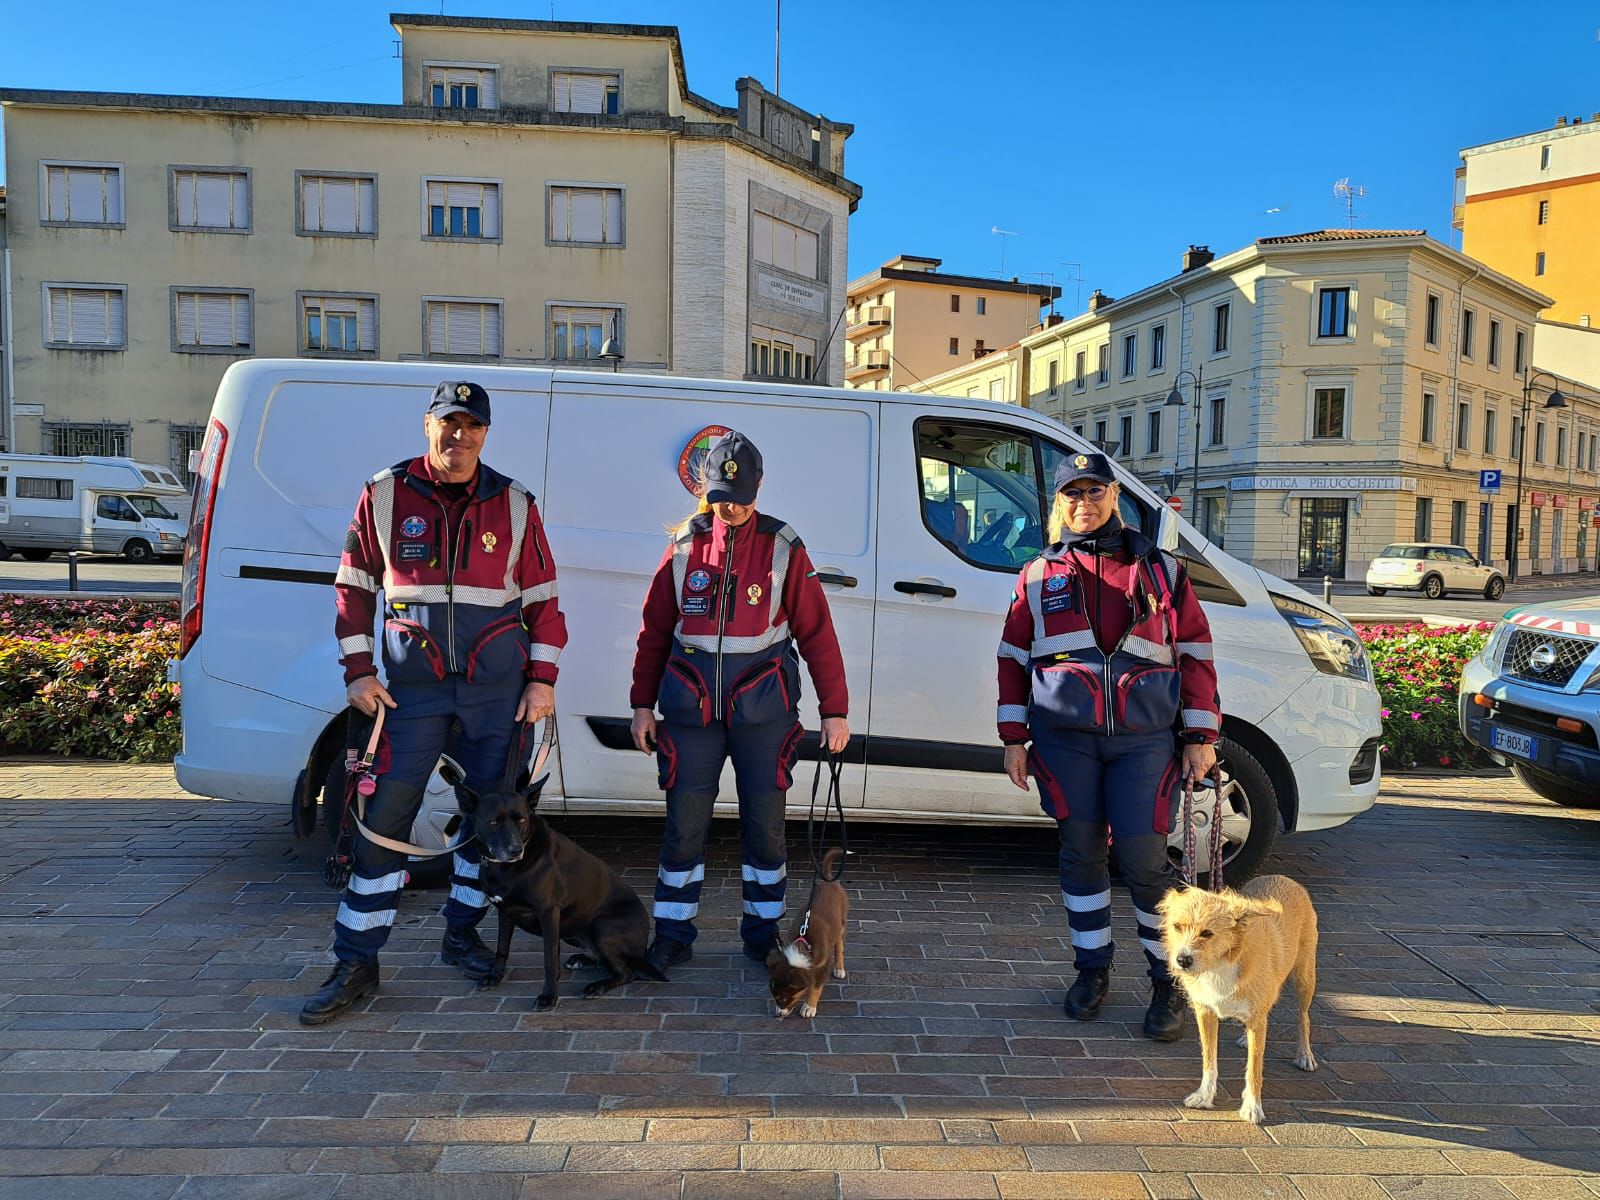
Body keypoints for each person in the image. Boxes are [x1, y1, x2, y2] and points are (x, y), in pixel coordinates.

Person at [301, 380, 568, 1025]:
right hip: (408, 693)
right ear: (429, 426)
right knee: (382, 823)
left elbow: (544, 601)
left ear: (485, 432)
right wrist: (358, 672)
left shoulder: (515, 502)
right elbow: (353, 589)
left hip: (494, 695)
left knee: (491, 821)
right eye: (450, 423)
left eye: (472, 426)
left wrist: (542, 678)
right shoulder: (385, 493)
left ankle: (461, 933)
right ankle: (357, 962)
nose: (460, 436)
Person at [996, 452, 1220, 1042]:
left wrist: (1200, 735)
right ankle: (1092, 971)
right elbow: (1013, 659)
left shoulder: (1161, 570)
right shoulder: (1037, 575)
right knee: (1080, 856)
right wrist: (1013, 738)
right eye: (1073, 494)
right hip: (1064, 742)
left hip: (1143, 743)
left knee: (1146, 864)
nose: (1084, 504)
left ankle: (1169, 981)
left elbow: (1195, 651)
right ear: (1060, 503)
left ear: (1114, 497)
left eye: (1095, 493)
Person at [629, 431, 850, 971]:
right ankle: (673, 934)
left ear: (759, 487)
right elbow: (655, 630)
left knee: (764, 825)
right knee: (684, 823)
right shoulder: (684, 544)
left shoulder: (783, 546)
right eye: (722, 496)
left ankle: (760, 933)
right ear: (706, 490)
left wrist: (835, 709)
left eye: (743, 496)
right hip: (690, 712)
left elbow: (817, 632)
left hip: (764, 713)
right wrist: (640, 704)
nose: (732, 507)